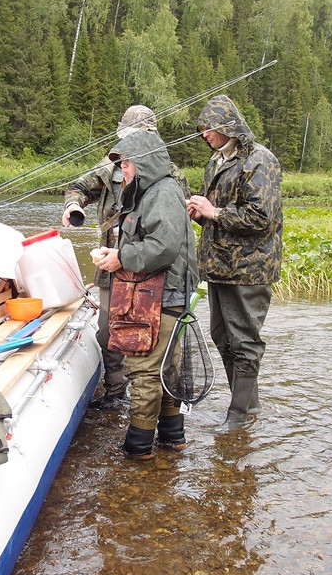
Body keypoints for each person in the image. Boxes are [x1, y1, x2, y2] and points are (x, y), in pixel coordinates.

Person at [63, 105, 189, 411]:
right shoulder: (109, 166)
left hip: (151, 273)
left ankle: (156, 398)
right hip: (110, 262)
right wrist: (73, 205)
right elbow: (78, 187)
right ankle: (116, 390)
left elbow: (173, 232)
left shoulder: (170, 175)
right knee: (108, 330)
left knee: (151, 336)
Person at [92, 128, 198, 459]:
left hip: (162, 296)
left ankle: (137, 448)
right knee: (166, 369)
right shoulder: (150, 191)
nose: (121, 169)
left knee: (144, 370)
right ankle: (172, 437)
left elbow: (163, 247)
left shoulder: (162, 192)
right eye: (120, 164)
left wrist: (121, 258)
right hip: (162, 295)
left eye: (126, 163)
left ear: (145, 162)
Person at [186, 94, 282, 429]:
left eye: (210, 128)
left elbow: (261, 216)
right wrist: (202, 214)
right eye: (202, 129)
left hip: (249, 269)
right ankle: (250, 407)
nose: (205, 135)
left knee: (245, 341)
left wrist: (214, 212)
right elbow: (221, 217)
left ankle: (238, 417)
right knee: (222, 337)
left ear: (228, 126)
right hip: (219, 267)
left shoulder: (260, 160)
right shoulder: (215, 161)